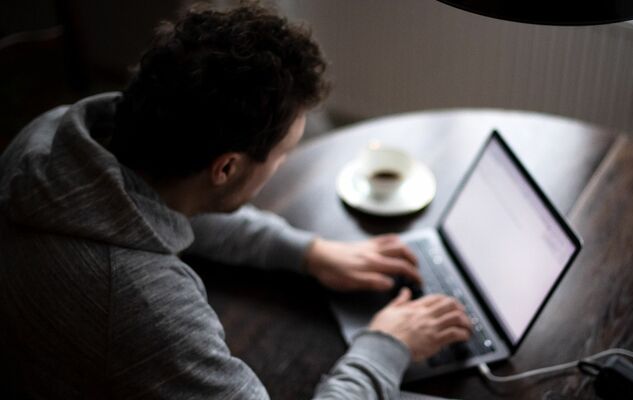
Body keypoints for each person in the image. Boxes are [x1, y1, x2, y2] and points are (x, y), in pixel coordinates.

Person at [0, 3, 472, 399]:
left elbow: (161, 204)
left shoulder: (49, 141)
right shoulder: (142, 304)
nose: (283, 165)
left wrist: (306, 253)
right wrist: (387, 345)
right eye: (284, 155)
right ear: (226, 168)